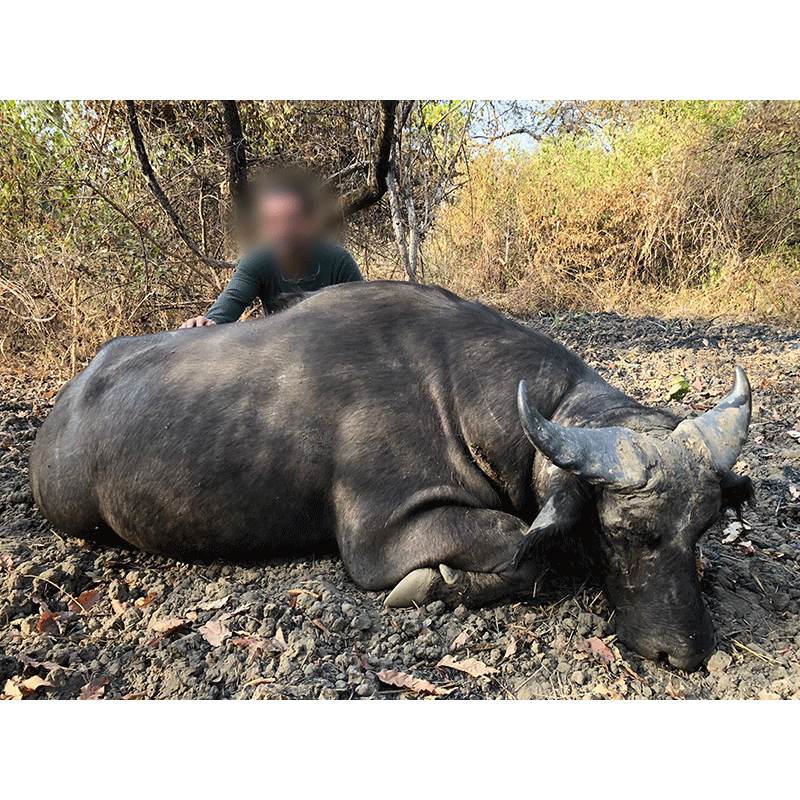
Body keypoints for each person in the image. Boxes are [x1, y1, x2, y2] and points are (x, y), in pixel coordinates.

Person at [180, 171, 363, 328]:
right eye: (272, 221)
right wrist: (204, 324)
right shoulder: (257, 262)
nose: (282, 230)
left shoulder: (339, 260)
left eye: (291, 219)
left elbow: (364, 313)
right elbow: (230, 304)